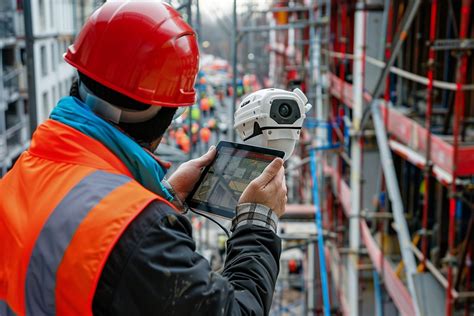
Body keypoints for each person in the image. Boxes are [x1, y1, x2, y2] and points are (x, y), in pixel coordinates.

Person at [0, 2, 287, 315]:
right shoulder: (143, 237)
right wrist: (257, 221)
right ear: (156, 114)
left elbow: (85, 245)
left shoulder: (25, 170)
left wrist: (165, 196)